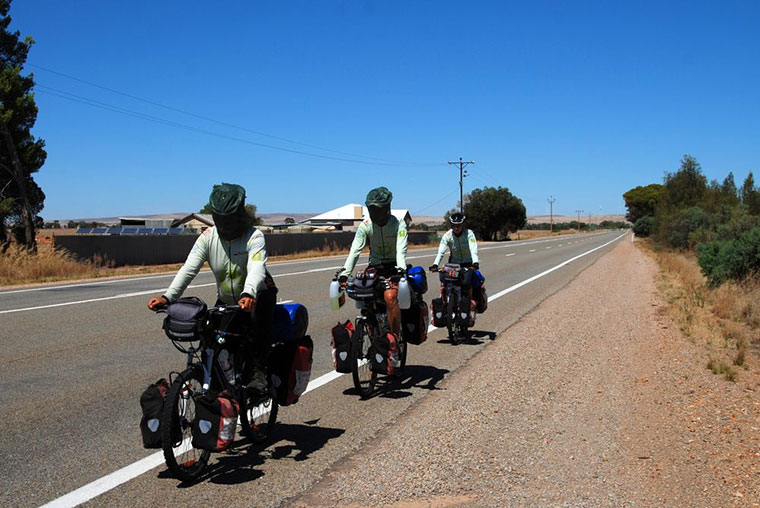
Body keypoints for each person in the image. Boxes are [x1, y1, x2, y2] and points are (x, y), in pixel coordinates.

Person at [147, 183, 277, 396]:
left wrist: (249, 293)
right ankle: (222, 380)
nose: (225, 225)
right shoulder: (208, 237)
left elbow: (256, 268)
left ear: (239, 215)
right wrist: (168, 297)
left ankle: (258, 373)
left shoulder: (254, 237)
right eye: (220, 219)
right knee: (211, 338)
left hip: (258, 295)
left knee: (257, 330)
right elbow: (189, 269)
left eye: (229, 219)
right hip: (226, 300)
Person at [338, 186, 407, 337]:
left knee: (390, 297)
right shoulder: (366, 225)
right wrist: (345, 273)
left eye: (379, 210)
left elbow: (401, 250)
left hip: (394, 267)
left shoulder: (398, 224)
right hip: (375, 267)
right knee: (364, 295)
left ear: (387, 208)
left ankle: (394, 341)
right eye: (373, 210)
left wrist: (401, 270)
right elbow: (355, 249)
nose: (376, 214)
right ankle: (372, 329)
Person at [429, 212, 480, 301]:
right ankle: (445, 302)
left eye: (458, 226)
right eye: (453, 226)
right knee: (445, 280)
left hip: (467, 263)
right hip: (453, 263)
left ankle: (471, 302)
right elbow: (441, 252)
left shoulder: (469, 234)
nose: (456, 228)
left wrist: (475, 262)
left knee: (466, 282)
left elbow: (473, 249)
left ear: (462, 225)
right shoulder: (447, 236)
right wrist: (435, 264)